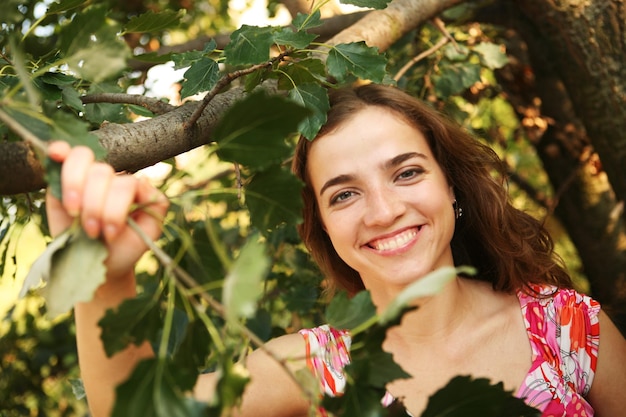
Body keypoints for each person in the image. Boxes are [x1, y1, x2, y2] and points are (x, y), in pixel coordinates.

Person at [46, 83, 626, 417]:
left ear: (449, 185)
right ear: (322, 224)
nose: (382, 211)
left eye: (405, 173)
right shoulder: (310, 370)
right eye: (344, 193)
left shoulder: (569, 328)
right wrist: (102, 276)